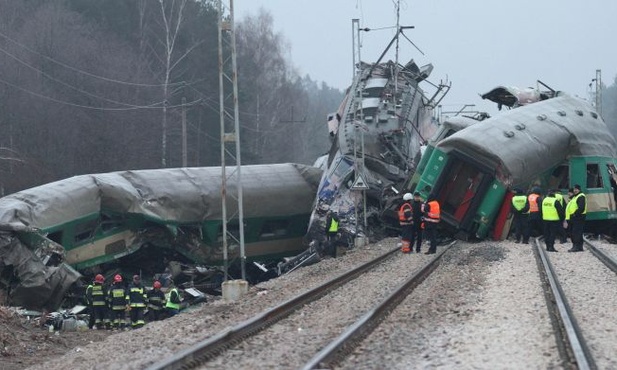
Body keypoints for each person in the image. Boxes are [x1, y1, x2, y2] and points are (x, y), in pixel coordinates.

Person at [564, 184, 586, 252]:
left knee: (575, 232)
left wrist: (574, 214)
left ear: (579, 189)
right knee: (576, 232)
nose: (575, 190)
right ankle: (579, 247)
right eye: (574, 189)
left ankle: (576, 247)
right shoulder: (575, 197)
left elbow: (581, 208)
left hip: (577, 217)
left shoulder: (581, 196)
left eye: (576, 189)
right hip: (573, 218)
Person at [422, 186, 440, 255]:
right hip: (435, 222)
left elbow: (423, 210)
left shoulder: (429, 204)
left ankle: (431, 249)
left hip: (429, 222)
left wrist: (423, 204)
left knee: (431, 236)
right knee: (433, 236)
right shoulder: (436, 203)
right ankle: (433, 249)